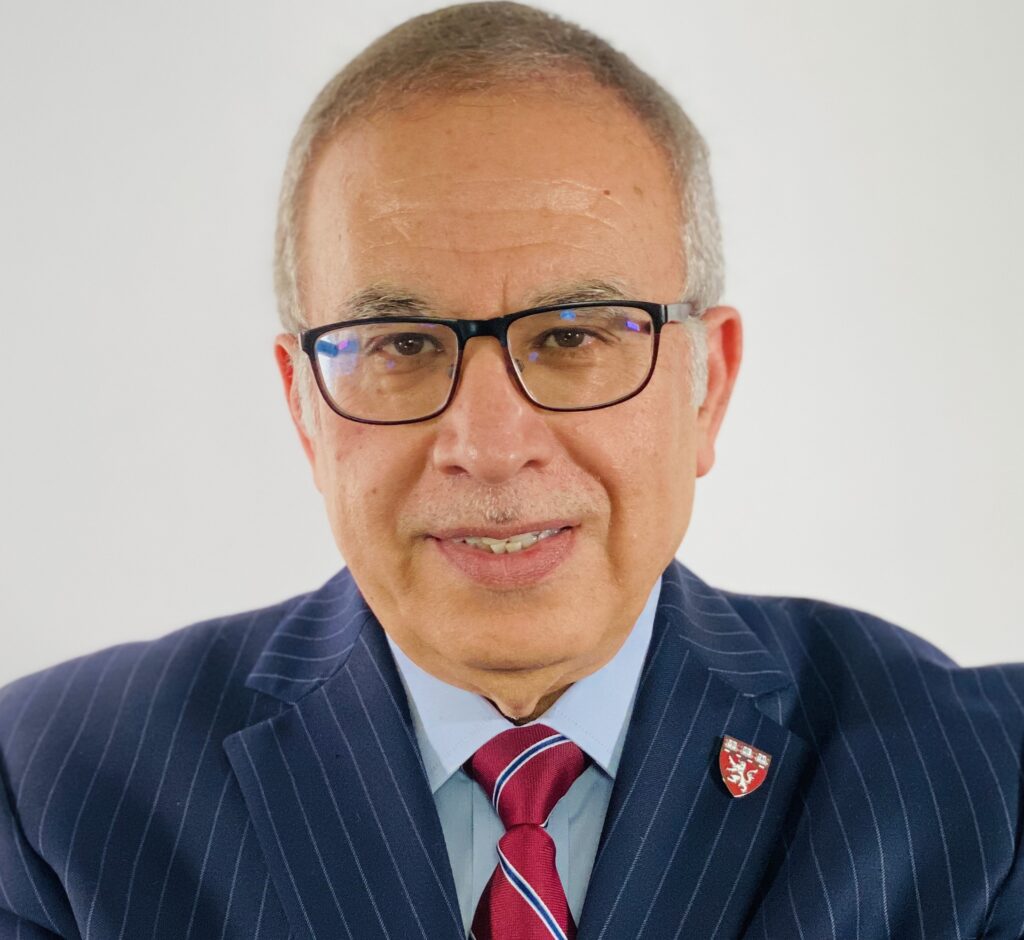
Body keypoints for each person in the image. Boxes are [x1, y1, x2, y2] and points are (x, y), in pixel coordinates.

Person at [1, 3, 1021, 937]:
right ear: (303, 408)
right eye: (400, 345)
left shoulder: (983, 782)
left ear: (706, 387)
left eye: (574, 336)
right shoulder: (51, 791)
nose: (489, 444)